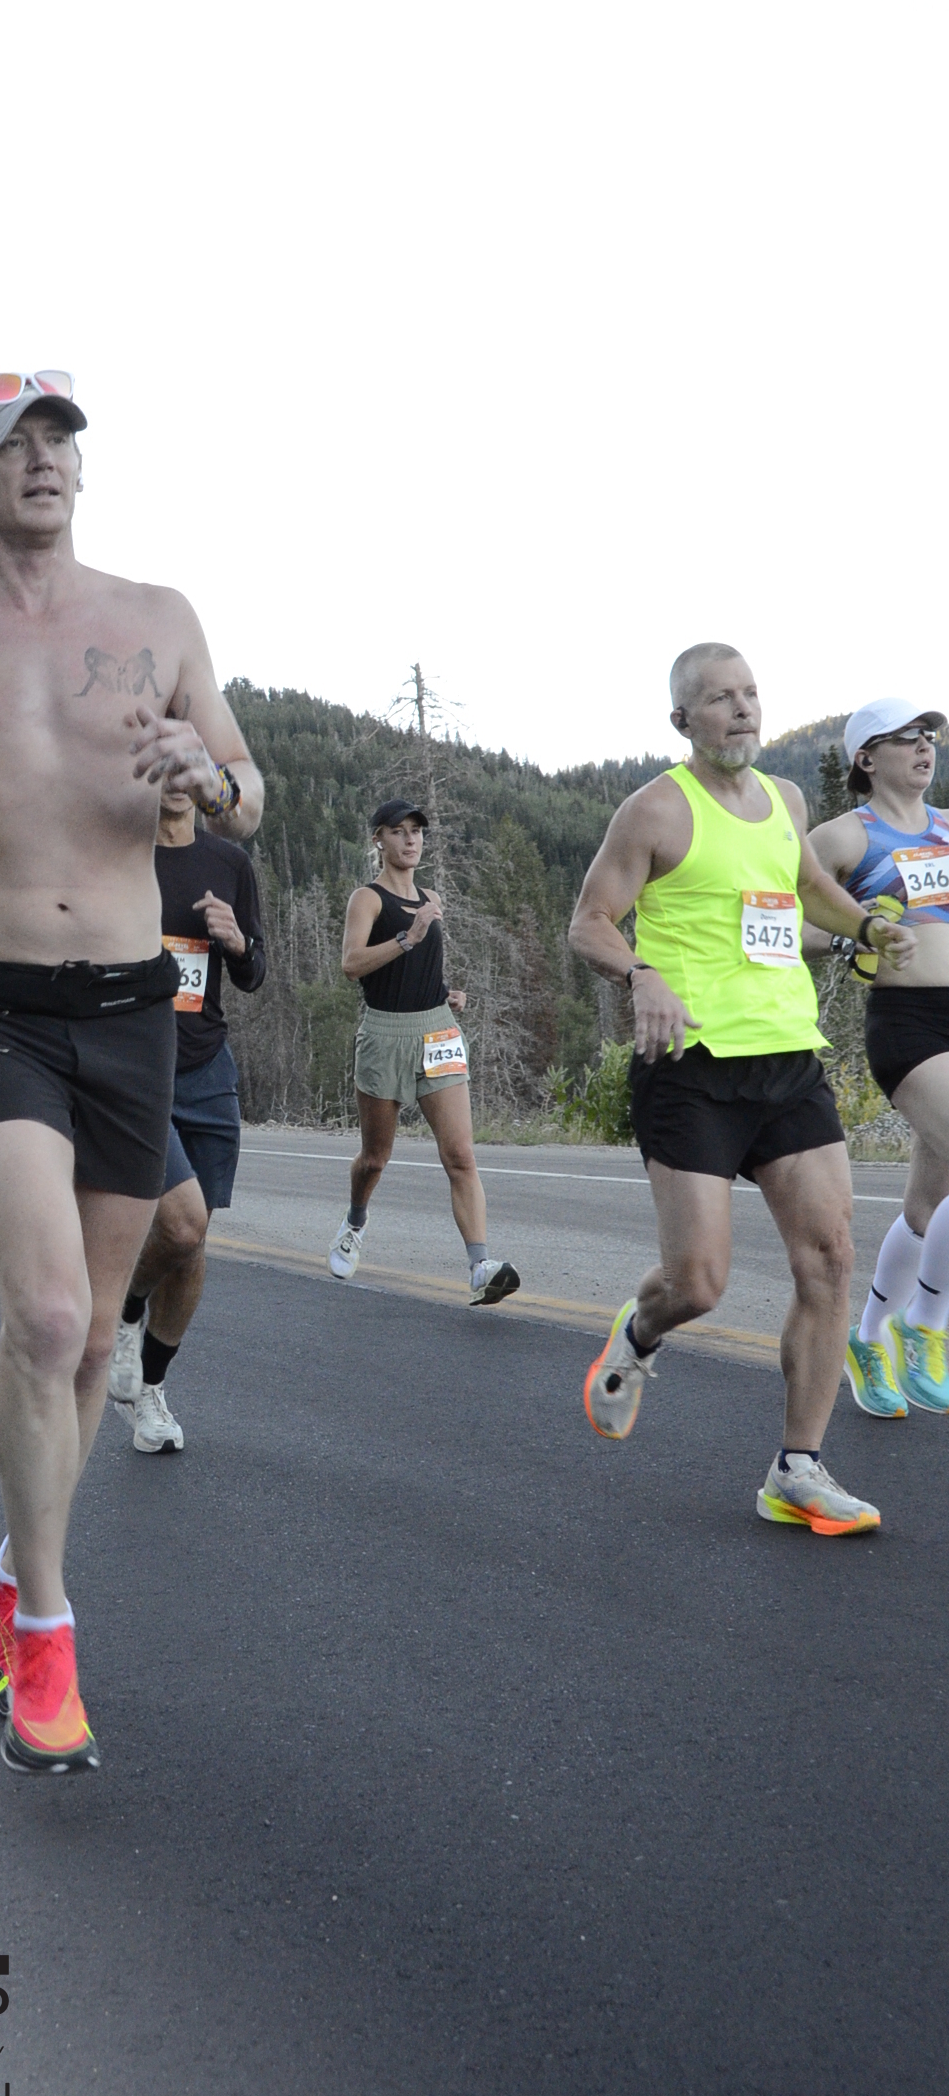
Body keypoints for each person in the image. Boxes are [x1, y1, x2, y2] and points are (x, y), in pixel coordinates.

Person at [0, 368, 262, 1772]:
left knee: (86, 1342)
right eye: (12, 442)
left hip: (134, 1005)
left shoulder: (160, 617)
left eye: (61, 439)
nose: (43, 460)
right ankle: (50, 1633)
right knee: (53, 1309)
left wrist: (209, 772)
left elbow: (249, 790)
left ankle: (17, 1570)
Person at [567, 643, 915, 1535]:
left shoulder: (786, 801)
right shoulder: (655, 810)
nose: (742, 709)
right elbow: (590, 921)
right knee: (698, 1282)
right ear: (684, 720)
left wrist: (866, 924)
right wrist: (641, 973)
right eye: (720, 698)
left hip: (787, 1058)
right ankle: (639, 1333)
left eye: (751, 693)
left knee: (830, 1257)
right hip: (690, 1067)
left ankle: (797, 1468)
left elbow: (808, 886)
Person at [107, 776, 267, 1452]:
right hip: (133, 1068)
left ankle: (150, 1389)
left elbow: (255, 974)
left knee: (191, 1245)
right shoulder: (115, 854)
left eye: (185, 770)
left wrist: (237, 944)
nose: (174, 784)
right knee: (181, 1223)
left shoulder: (228, 864)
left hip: (206, 1070)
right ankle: (124, 1312)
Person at [803, 696, 949, 1416]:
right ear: (866, 757)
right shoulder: (842, 837)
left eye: (929, 736)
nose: (925, 747)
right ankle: (925, 1325)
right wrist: (849, 937)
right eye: (906, 737)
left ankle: (867, 1339)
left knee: (928, 1207)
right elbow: (778, 917)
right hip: (910, 1026)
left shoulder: (948, 828)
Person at [327, 801, 520, 1305]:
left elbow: (421, 965)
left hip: (437, 1031)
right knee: (375, 1159)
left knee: (460, 1155)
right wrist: (408, 937)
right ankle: (355, 1222)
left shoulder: (431, 897)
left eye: (417, 831)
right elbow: (351, 964)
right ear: (379, 839)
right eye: (399, 831)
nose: (411, 840)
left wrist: (445, 992)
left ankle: (480, 1265)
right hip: (384, 1035)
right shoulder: (367, 899)